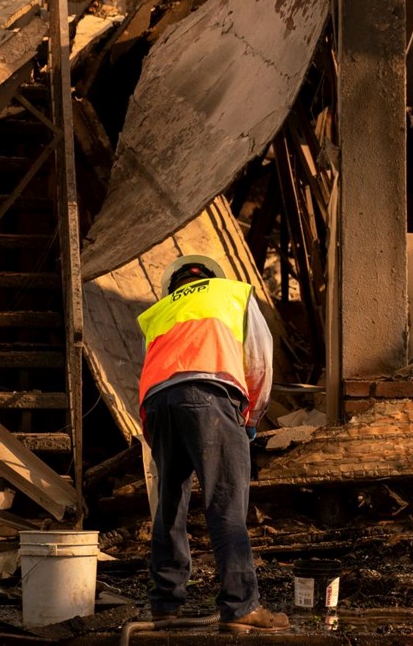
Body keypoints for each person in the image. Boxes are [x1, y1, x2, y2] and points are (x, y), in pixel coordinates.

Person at [136, 254, 287, 633]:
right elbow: (259, 359)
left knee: (169, 504)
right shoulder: (233, 293)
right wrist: (250, 418)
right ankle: (240, 607)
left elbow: (153, 370)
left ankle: (165, 606)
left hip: (157, 405)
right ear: (209, 276)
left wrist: (152, 429)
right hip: (209, 396)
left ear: (175, 285)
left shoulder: (158, 312)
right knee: (225, 504)